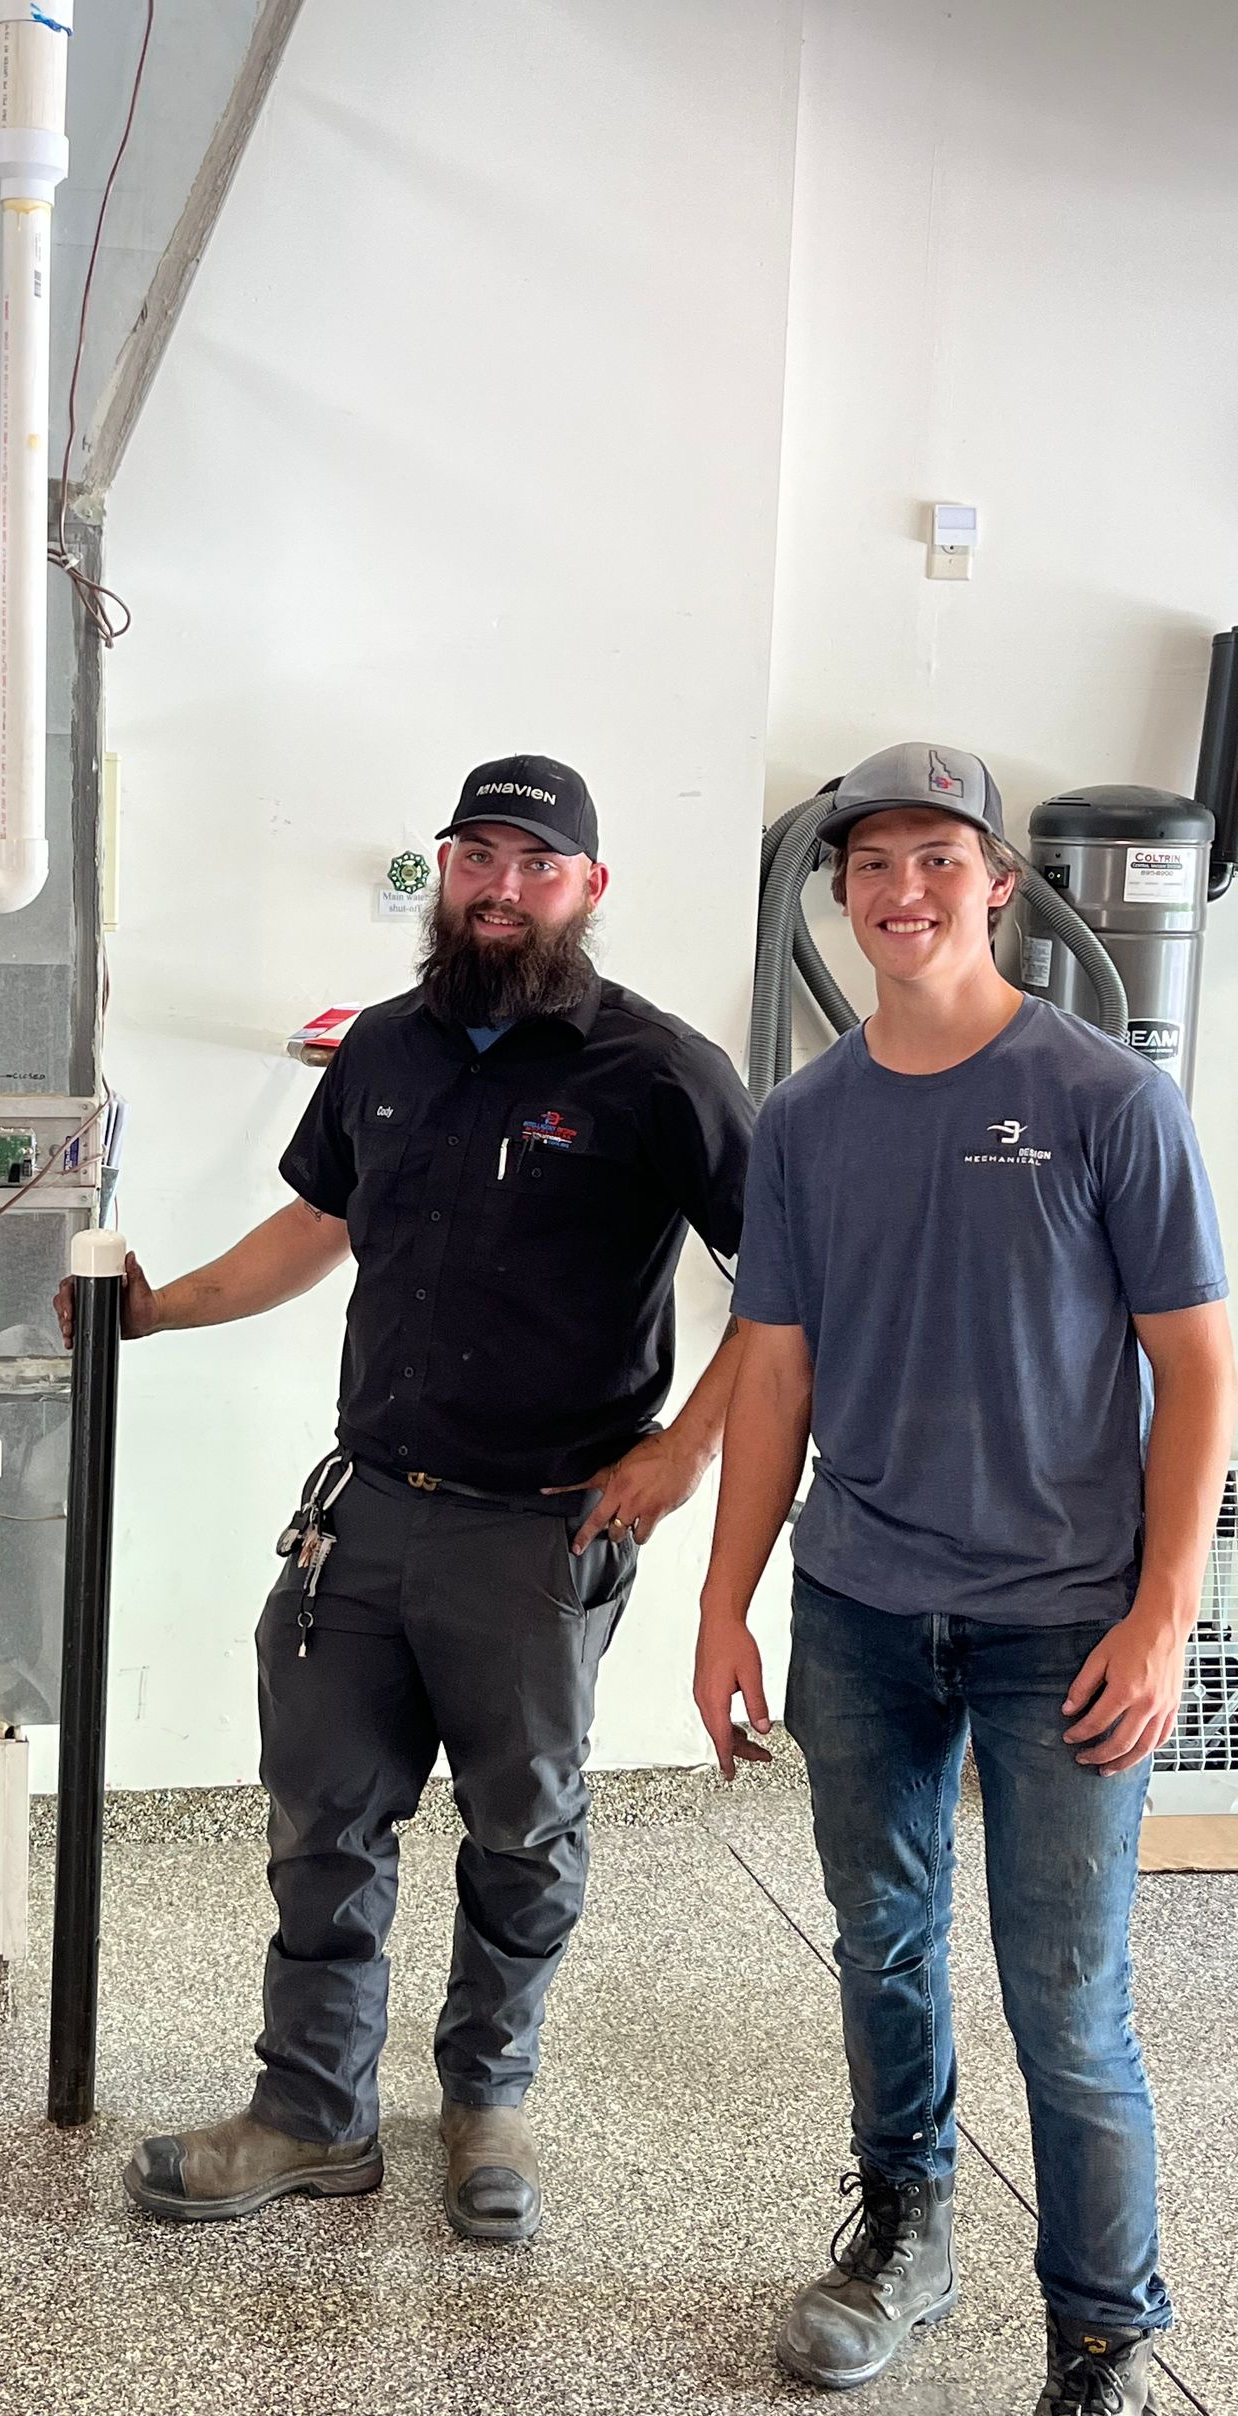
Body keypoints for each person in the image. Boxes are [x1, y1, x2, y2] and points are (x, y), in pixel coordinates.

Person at [58, 752, 753, 2242]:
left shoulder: (660, 1072)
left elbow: (793, 1299)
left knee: (521, 1829)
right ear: (443, 869)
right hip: (363, 1518)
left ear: (589, 888)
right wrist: (160, 1308)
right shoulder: (385, 1048)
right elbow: (318, 1221)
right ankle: (313, 2113)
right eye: (476, 857)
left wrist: (681, 1450)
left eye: (534, 863)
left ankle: (486, 2100)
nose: (500, 888)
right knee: (324, 1817)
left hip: (541, 1530)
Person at [695, 742, 1233, 2413]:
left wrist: (1165, 1612)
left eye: (938, 859)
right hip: (859, 1608)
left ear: (999, 882)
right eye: (872, 866)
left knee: (1068, 2006)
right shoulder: (802, 1121)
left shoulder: (1107, 1100)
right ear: (839, 891)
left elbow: (1200, 1369)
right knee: (882, 1942)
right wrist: (725, 1600)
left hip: (1066, 1625)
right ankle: (904, 2235)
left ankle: (1100, 2336)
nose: (903, 891)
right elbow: (770, 1372)